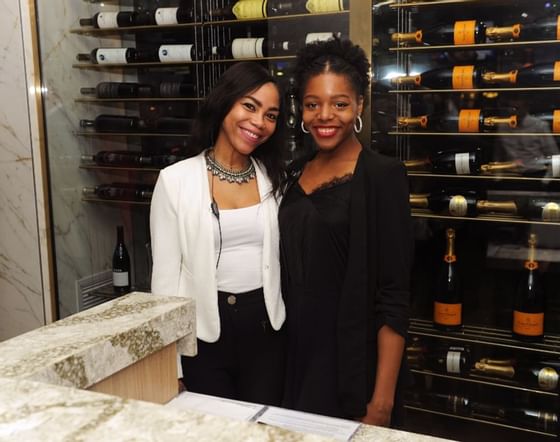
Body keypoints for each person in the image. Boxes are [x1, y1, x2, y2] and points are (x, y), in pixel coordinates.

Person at [279, 37, 412, 427]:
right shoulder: (294, 171)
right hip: (294, 359)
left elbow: (394, 296)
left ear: (359, 106)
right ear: (300, 110)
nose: (325, 115)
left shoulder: (382, 177)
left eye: (339, 104)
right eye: (312, 104)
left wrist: (382, 402)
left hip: (351, 369)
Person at [150, 62, 286, 405]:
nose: (259, 122)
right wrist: (172, 364)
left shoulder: (276, 179)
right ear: (225, 102)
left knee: (263, 429)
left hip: (266, 329)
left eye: (271, 115)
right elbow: (165, 283)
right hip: (204, 335)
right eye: (250, 106)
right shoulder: (175, 181)